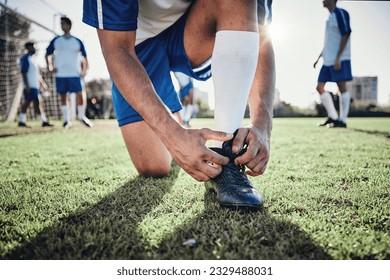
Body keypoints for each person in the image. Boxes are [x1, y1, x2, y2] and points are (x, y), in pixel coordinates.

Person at [83, 0, 275, 211]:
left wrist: (263, 124)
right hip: (135, 43)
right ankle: (176, 125)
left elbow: (260, 33)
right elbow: (116, 48)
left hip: (193, 28)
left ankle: (226, 157)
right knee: (154, 167)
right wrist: (172, 134)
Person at [45, 16, 93, 128]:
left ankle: (82, 117)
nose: (62, 26)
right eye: (61, 24)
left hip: (74, 73)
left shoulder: (77, 41)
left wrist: (84, 71)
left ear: (70, 25)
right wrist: (50, 67)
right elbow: (47, 54)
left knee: (80, 94)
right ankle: (67, 120)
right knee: (63, 96)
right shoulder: (56, 41)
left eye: (64, 24)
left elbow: (85, 57)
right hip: (61, 74)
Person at [314, 0, 352, 128]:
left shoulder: (340, 13)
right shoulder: (329, 19)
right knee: (319, 87)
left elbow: (345, 34)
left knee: (341, 88)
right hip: (327, 60)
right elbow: (329, 43)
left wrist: (338, 58)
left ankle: (342, 120)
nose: (323, 0)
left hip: (339, 59)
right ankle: (333, 117)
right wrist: (319, 57)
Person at [18, 42, 53, 128]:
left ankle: (22, 121)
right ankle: (42, 121)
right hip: (29, 85)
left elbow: (37, 74)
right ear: (28, 48)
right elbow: (23, 73)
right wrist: (27, 86)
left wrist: (42, 83)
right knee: (34, 102)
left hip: (35, 85)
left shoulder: (33, 59)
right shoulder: (25, 58)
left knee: (32, 102)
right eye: (33, 47)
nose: (34, 48)